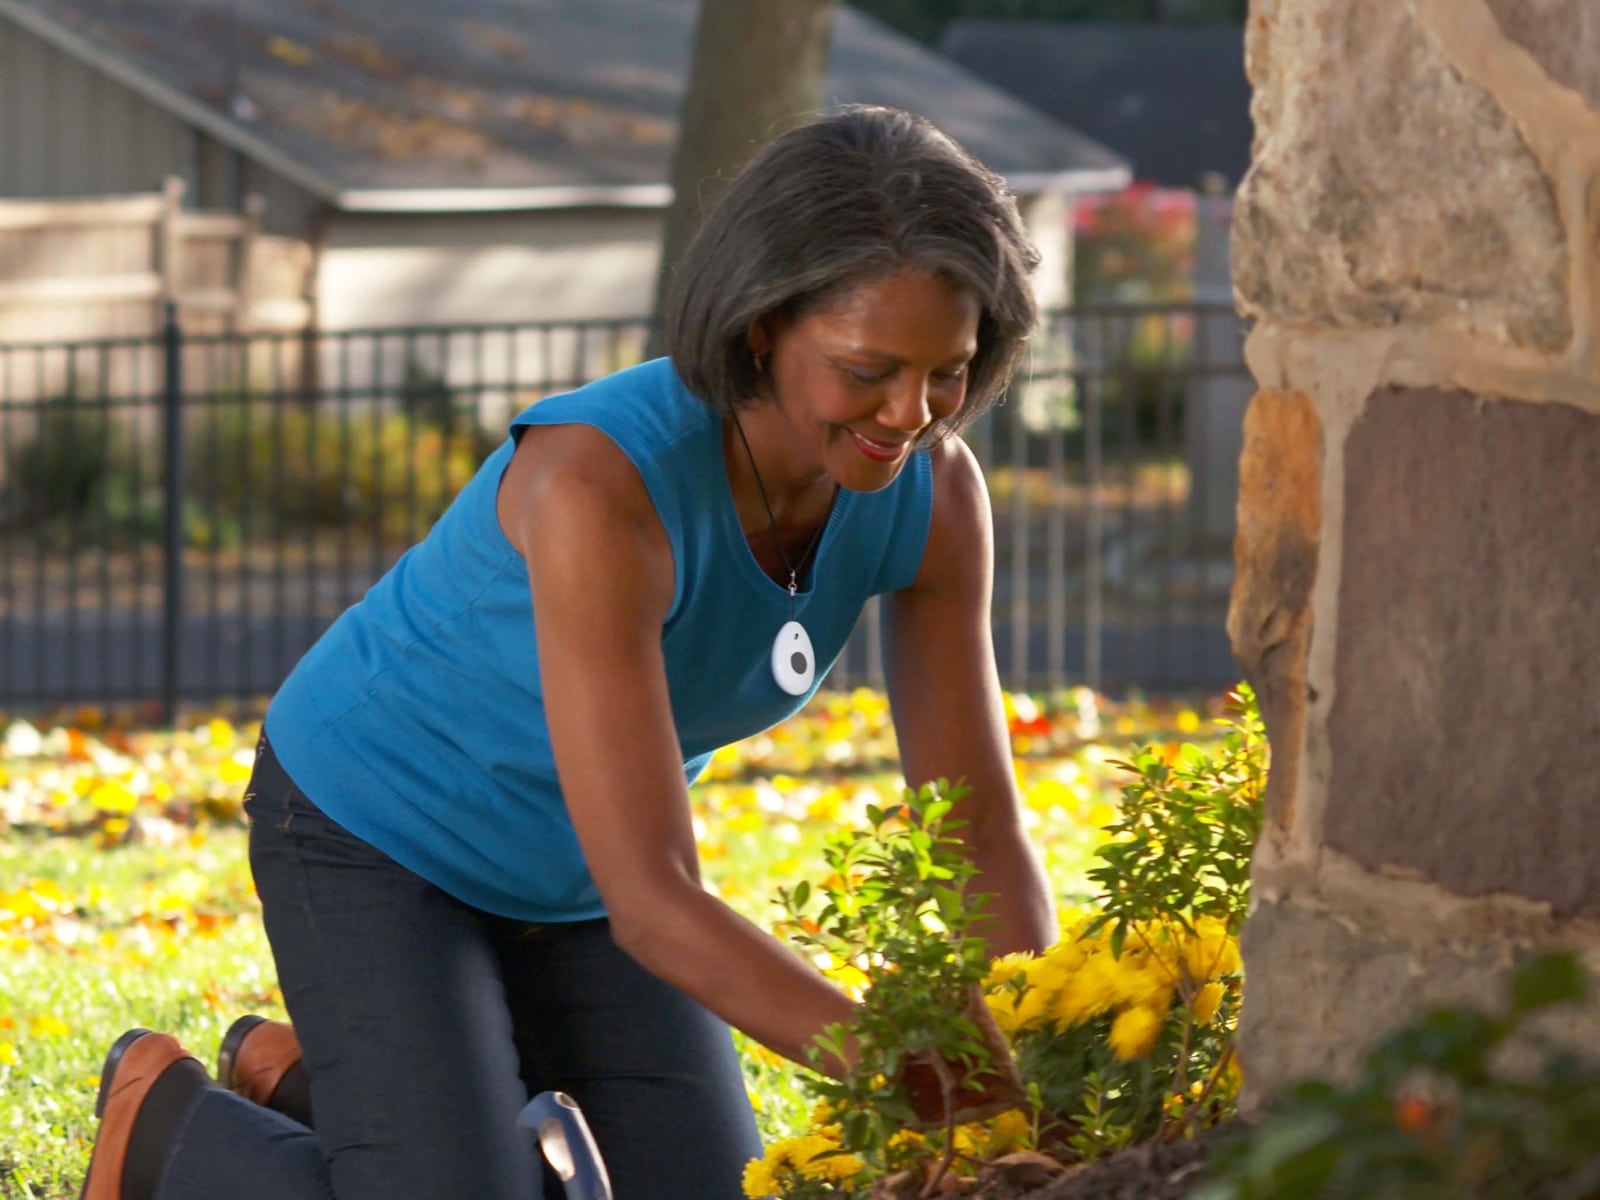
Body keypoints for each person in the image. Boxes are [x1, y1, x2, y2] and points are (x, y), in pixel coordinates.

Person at [78, 103, 1057, 1200]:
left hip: (578, 876)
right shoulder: (598, 483)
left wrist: (1042, 1044)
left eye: (947, 372)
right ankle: (168, 1126)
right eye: (868, 368)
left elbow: (972, 823)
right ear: (759, 328)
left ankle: (324, 1089)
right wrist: (890, 1062)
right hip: (377, 832)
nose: (911, 413)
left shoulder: (932, 495)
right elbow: (653, 895)